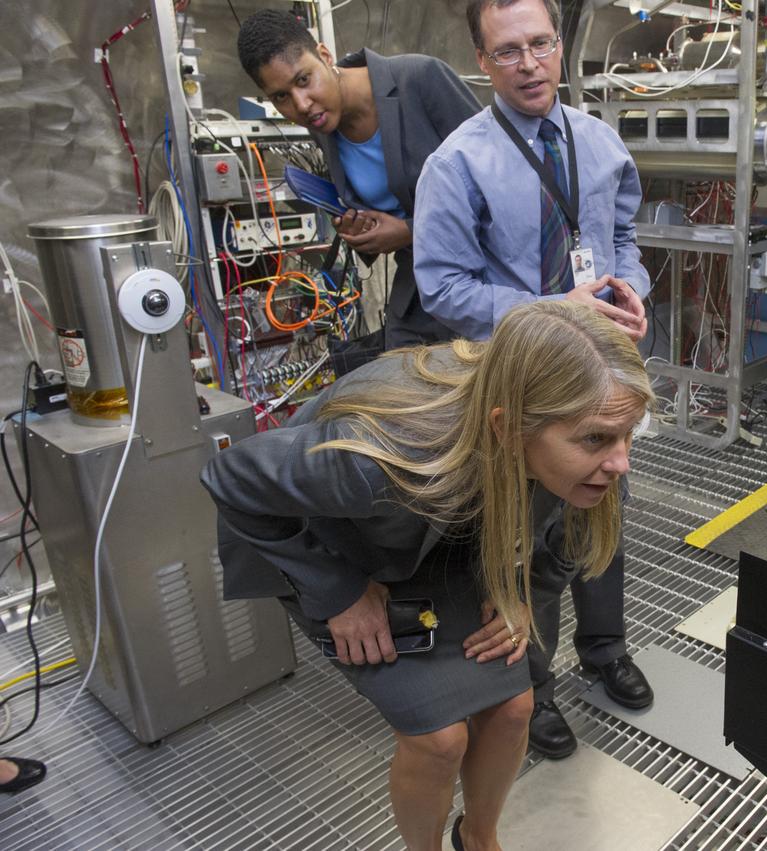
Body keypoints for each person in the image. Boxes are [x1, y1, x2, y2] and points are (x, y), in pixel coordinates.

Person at [201, 300, 654, 851]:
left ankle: (479, 836)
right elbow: (232, 479)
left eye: (628, 433)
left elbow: (570, 539)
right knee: (439, 741)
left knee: (515, 708)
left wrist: (517, 598)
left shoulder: (587, 447)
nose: (620, 459)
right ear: (508, 428)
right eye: (597, 439)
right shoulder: (381, 457)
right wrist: (339, 594)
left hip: (447, 529)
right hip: (327, 542)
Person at [414, 0, 654, 760]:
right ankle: (535, 686)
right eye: (509, 50)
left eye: (541, 44)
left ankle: (606, 646)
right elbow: (442, 287)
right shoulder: (457, 163)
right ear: (482, 62)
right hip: (522, 384)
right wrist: (555, 307)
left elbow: (620, 236)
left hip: (603, 364)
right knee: (527, 533)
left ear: (559, 48)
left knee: (604, 500)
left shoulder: (599, 141)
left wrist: (630, 286)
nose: (529, 63)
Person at [236, 10, 480, 349]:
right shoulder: (324, 126)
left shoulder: (420, 80)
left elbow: (501, 191)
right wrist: (363, 232)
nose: (301, 105)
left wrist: (409, 231)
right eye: (281, 97)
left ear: (324, 55)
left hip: (483, 285)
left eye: (304, 79)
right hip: (419, 294)